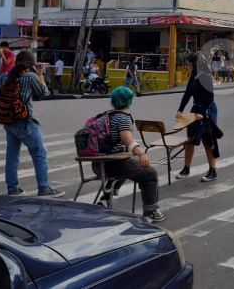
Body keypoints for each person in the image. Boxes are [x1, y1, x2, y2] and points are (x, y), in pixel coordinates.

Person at [0, 50, 64, 198]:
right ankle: (44, 188)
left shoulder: (5, 76)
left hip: (8, 121)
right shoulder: (30, 77)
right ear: (30, 64)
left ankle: (12, 189)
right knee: (39, 153)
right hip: (25, 121)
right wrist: (40, 74)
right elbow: (44, 93)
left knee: (12, 155)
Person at [94, 87, 165, 222]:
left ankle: (106, 199)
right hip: (113, 165)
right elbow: (127, 139)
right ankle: (150, 210)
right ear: (129, 101)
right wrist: (141, 153)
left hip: (98, 166)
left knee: (130, 167)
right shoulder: (123, 118)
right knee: (150, 174)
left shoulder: (103, 117)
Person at [175, 53, 219, 182]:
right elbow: (187, 94)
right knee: (190, 139)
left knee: (207, 140)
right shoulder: (193, 77)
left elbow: (210, 97)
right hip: (196, 108)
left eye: (189, 63)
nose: (188, 65)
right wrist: (180, 110)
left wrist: (202, 112)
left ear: (194, 64)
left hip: (208, 109)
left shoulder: (205, 77)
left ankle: (213, 170)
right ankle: (186, 168)